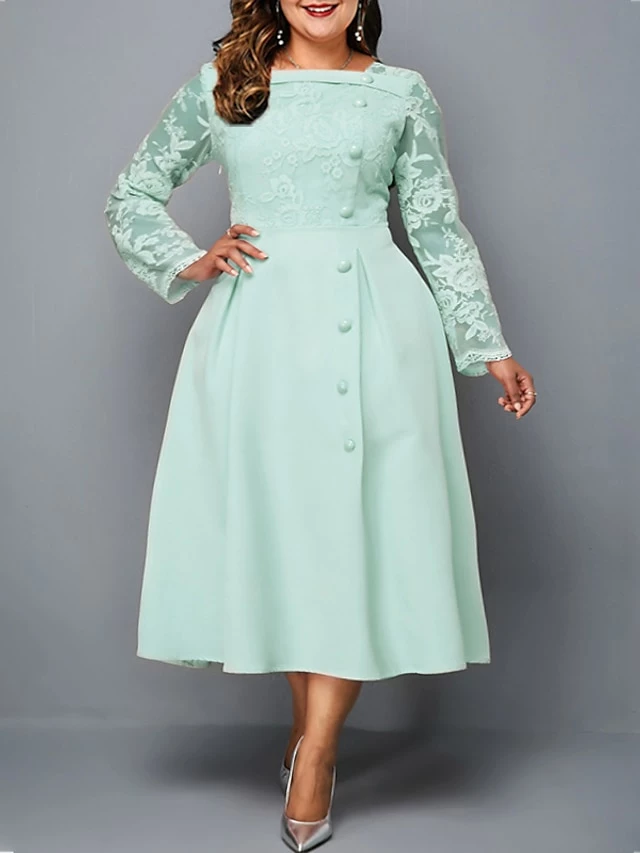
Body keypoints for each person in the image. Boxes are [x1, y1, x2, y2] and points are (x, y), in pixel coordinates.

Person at [103, 0, 537, 849]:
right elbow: (132, 195)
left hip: (380, 331)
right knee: (296, 537)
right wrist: (189, 257)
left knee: (354, 530)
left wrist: (488, 346)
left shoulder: (402, 93)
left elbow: (437, 227)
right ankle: (313, 735)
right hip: (259, 336)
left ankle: (318, 751)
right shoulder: (225, 85)